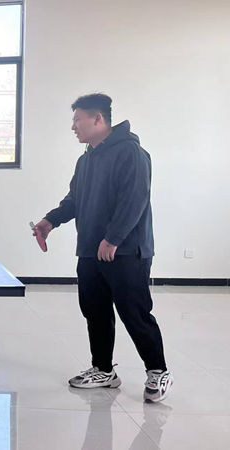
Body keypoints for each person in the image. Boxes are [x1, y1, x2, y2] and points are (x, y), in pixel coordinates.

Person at [32, 93, 172, 402]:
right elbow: (74, 199)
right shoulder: (86, 160)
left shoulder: (132, 153)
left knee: (134, 313)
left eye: (77, 119)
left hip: (126, 251)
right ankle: (104, 370)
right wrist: (50, 221)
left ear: (98, 119)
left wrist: (114, 238)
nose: (73, 127)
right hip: (89, 250)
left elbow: (135, 199)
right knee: (95, 311)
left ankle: (158, 370)